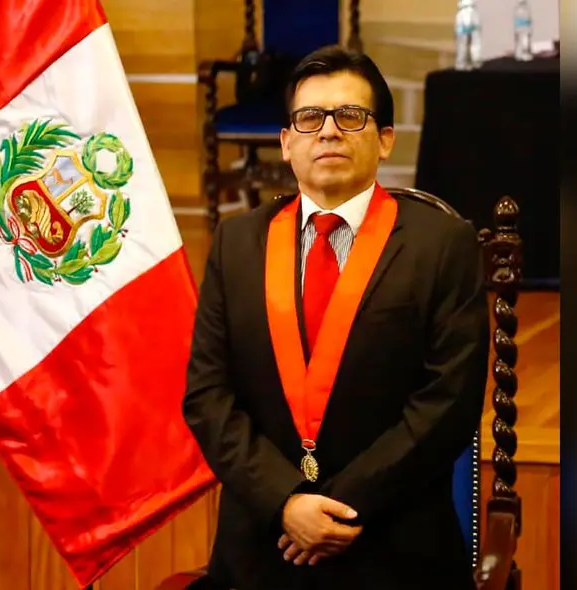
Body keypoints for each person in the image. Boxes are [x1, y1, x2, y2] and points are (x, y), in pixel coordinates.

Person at [183, 45, 490, 590]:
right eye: (309, 118)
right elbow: (207, 396)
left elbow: (448, 404)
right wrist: (286, 501)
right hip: (262, 548)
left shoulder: (442, 244)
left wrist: (341, 507)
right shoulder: (236, 243)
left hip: (393, 549)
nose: (328, 132)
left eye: (351, 116)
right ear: (285, 142)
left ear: (386, 137)